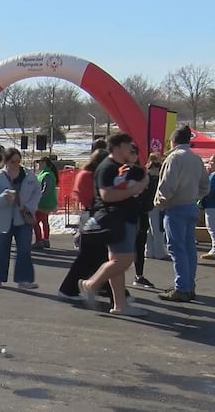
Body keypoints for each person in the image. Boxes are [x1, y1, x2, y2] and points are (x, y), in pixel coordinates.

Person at [78, 133, 149, 316]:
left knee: (116, 261)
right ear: (118, 148)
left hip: (124, 217)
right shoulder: (107, 167)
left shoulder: (119, 166)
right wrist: (137, 188)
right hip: (116, 218)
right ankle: (90, 284)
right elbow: (107, 195)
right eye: (127, 146)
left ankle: (119, 305)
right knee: (124, 259)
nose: (130, 149)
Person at [154, 126, 209, 302]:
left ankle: (182, 288)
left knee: (177, 249)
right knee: (189, 248)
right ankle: (189, 286)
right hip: (191, 205)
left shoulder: (174, 158)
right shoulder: (196, 158)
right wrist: (195, 196)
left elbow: (167, 186)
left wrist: (160, 202)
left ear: (173, 141)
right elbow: (204, 185)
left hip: (176, 207)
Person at [0, 148, 41, 289]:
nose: (16, 164)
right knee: (0, 249)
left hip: (23, 218)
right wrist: (2, 198)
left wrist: (30, 206)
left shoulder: (28, 175)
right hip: (2, 219)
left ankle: (24, 280)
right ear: (6, 161)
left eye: (18, 161)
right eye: (12, 161)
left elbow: (37, 192)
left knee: (24, 249)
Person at [59, 149, 110, 299]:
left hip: (90, 216)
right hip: (92, 217)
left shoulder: (86, 174)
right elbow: (94, 198)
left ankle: (104, 287)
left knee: (96, 257)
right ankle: (69, 289)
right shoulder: (90, 176)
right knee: (90, 258)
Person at [133, 147, 161, 288]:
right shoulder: (145, 176)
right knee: (127, 247)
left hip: (143, 212)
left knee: (140, 243)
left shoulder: (149, 176)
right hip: (134, 213)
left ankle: (139, 275)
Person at [144, 153, 169, 261]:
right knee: (158, 229)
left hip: (146, 205)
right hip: (156, 204)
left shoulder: (146, 172)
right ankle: (159, 252)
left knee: (149, 230)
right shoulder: (159, 173)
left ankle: (149, 250)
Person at [32, 157, 59, 250]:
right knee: (44, 221)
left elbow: (45, 190)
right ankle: (45, 239)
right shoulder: (43, 174)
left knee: (34, 222)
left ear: (44, 163)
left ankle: (39, 240)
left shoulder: (47, 175)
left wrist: (37, 198)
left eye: (39, 163)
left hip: (43, 203)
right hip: (46, 203)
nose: (38, 165)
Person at [201, 154, 215, 260]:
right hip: (210, 205)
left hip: (212, 205)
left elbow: (209, 190)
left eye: (211, 162)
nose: (209, 164)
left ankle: (214, 250)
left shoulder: (213, 176)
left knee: (212, 228)